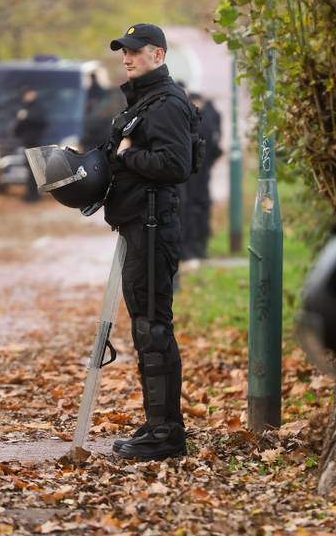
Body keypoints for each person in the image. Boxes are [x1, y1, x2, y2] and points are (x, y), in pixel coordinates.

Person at [104, 23, 195, 460]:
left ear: (158, 55)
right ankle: (158, 424)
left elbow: (177, 164)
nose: (127, 58)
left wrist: (126, 156)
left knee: (153, 328)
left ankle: (165, 433)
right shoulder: (145, 101)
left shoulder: (167, 104)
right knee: (147, 325)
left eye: (135, 52)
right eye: (124, 51)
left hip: (155, 227)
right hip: (141, 224)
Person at [181, 92, 223, 265]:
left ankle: (193, 248)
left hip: (191, 174)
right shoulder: (209, 117)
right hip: (200, 173)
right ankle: (199, 247)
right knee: (199, 208)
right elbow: (214, 148)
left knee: (191, 208)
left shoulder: (193, 120)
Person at [14, 88, 49, 202]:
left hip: (35, 142)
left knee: (34, 169)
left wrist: (26, 117)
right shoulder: (25, 108)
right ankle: (30, 193)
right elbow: (18, 127)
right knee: (30, 169)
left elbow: (42, 121)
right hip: (27, 142)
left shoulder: (38, 108)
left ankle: (33, 195)